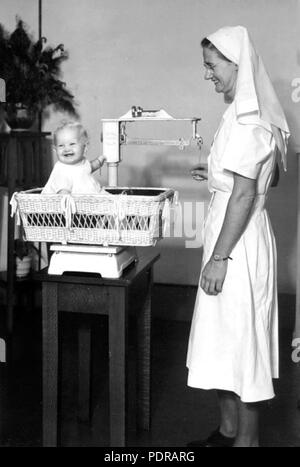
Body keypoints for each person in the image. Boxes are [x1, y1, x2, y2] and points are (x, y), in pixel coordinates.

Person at [186, 26, 290, 448]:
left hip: (237, 245)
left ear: (236, 64)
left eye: (212, 66)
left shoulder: (250, 121)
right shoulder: (247, 110)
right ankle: (227, 430)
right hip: (232, 232)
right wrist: (218, 178)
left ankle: (246, 442)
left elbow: (248, 192)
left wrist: (219, 258)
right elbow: (273, 178)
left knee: (243, 340)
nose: (208, 74)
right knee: (222, 337)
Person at [42, 121, 106, 194]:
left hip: (89, 198)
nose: (66, 149)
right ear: (55, 150)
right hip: (67, 201)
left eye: (72, 144)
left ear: (85, 147)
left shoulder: (82, 162)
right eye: (61, 146)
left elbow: (89, 167)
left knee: (111, 198)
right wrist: (66, 199)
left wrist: (99, 161)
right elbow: (62, 190)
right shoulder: (61, 169)